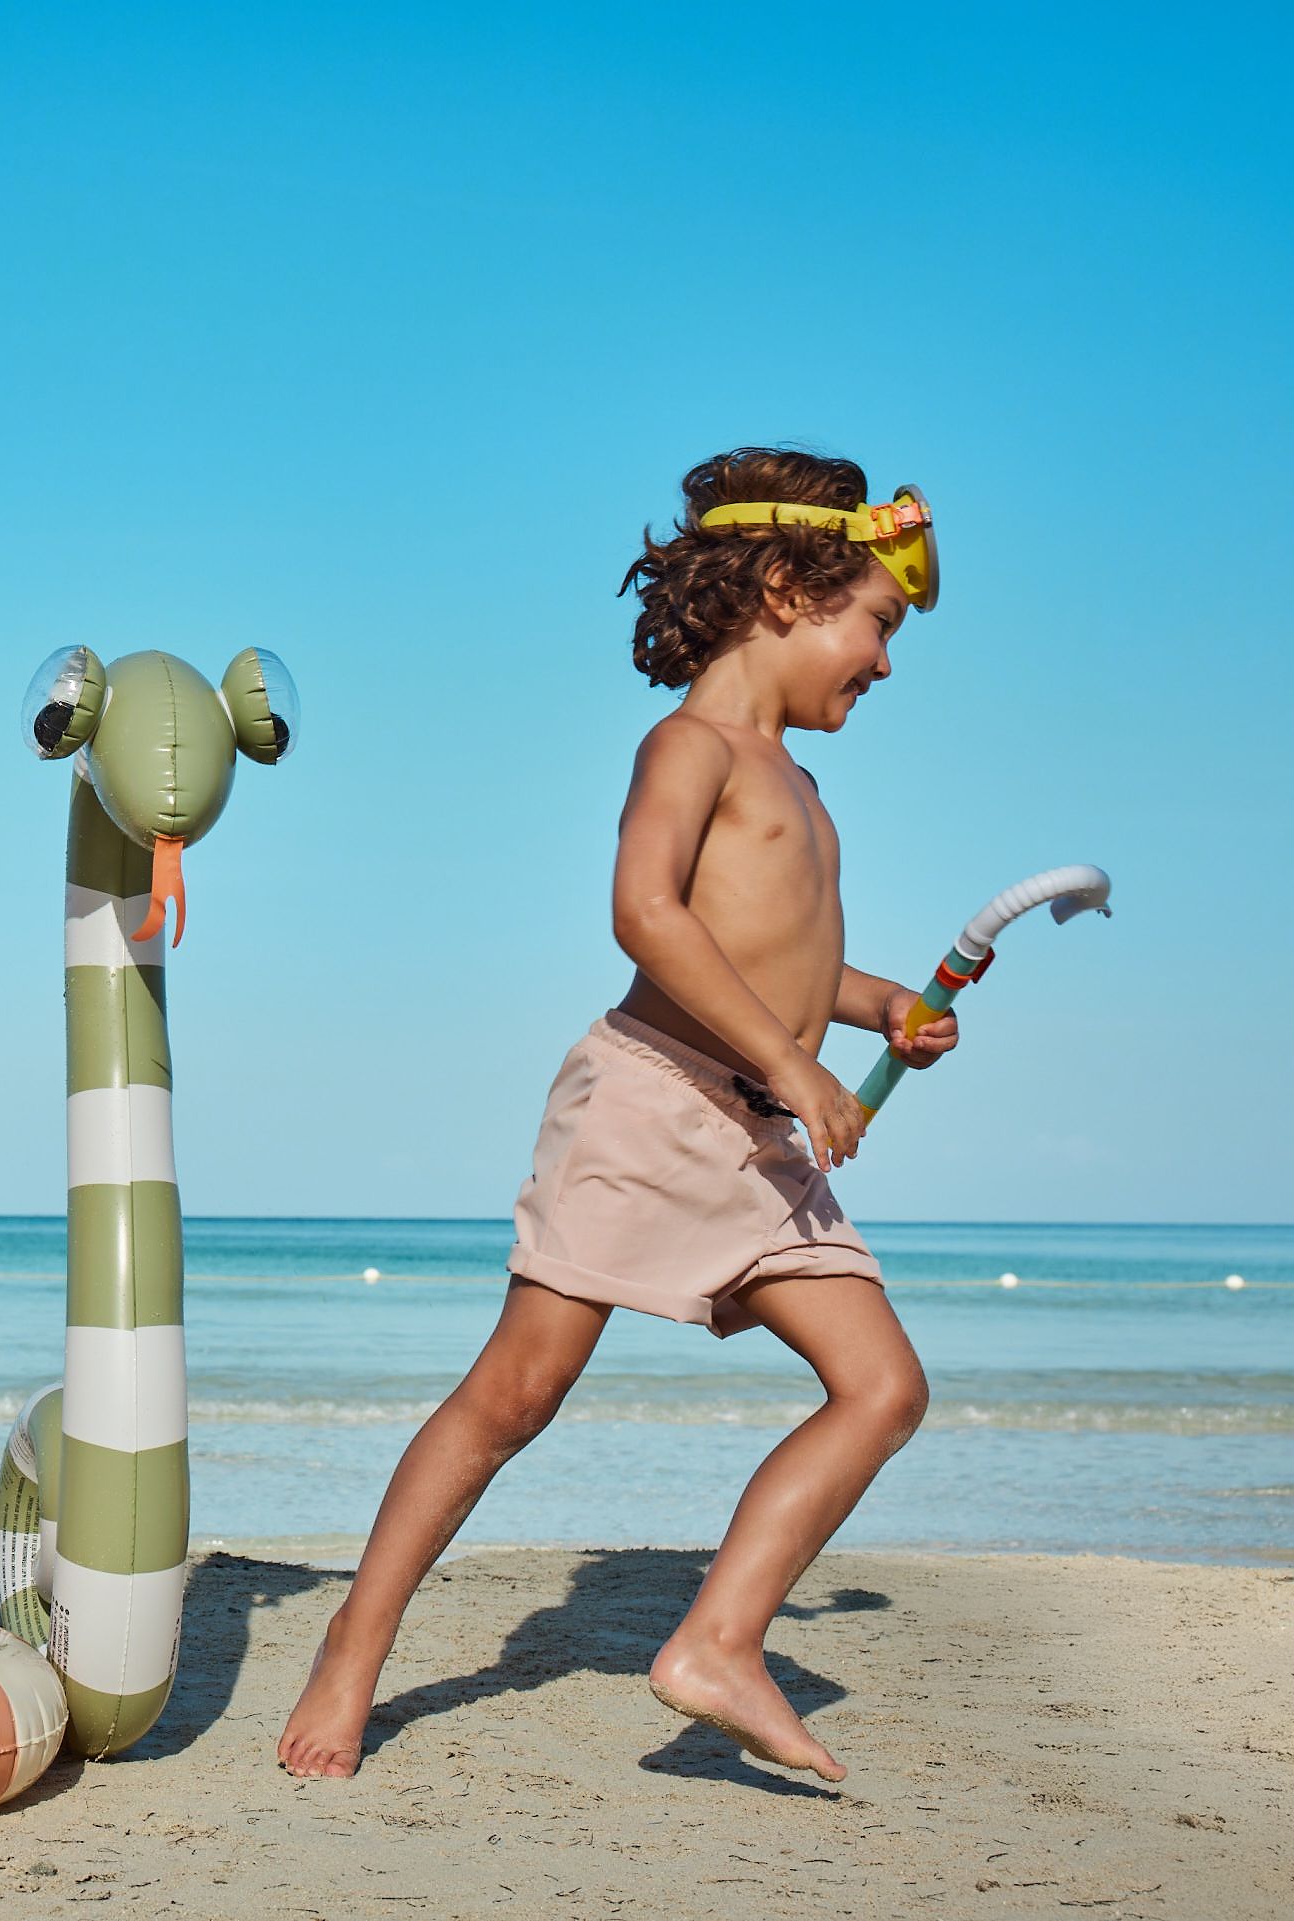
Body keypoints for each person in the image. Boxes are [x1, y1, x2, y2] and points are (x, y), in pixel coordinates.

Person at [279, 449, 957, 1783]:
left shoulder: (804, 788)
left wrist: (877, 1014)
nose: (884, 662)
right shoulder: (689, 745)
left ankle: (717, 1639)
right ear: (782, 587)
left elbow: (782, 958)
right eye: (876, 622)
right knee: (515, 1392)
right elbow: (645, 913)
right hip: (650, 1106)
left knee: (883, 1387)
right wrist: (803, 1063)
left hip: (761, 1137)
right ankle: (356, 1643)